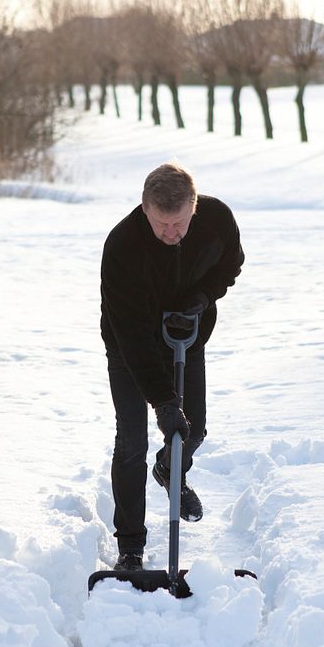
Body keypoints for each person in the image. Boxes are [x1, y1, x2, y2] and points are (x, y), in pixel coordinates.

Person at [100, 162, 244, 570]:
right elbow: (132, 335)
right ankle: (130, 547)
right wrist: (162, 402)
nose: (171, 233)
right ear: (144, 208)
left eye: (179, 223)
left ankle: (170, 472)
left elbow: (230, 266)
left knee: (192, 429)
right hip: (131, 347)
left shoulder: (217, 221)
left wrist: (201, 298)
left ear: (194, 207)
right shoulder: (123, 246)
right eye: (161, 224)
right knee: (132, 442)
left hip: (187, 337)